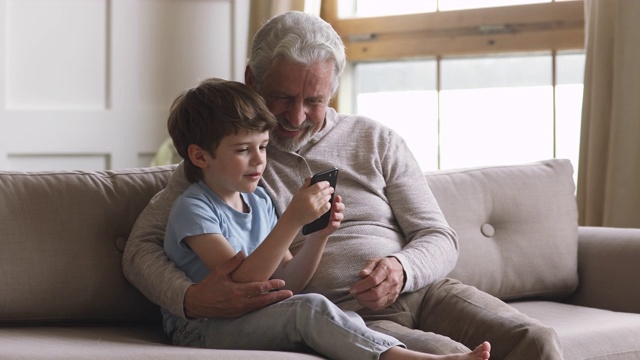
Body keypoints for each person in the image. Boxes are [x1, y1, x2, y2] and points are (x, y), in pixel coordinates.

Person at [123, 11, 563, 360]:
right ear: (252, 81)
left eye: (313, 100)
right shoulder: (227, 157)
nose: (295, 117)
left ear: (332, 91)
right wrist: (191, 299)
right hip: (350, 314)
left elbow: (439, 237)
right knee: (450, 356)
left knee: (535, 341)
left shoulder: (375, 139)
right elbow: (140, 246)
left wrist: (401, 269)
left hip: (427, 293)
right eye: (282, 97)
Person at [160, 77, 490, 360]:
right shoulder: (194, 209)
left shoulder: (259, 200)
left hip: (255, 316)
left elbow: (288, 282)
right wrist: (291, 221)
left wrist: (319, 236)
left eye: (263, 147)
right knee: (311, 310)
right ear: (200, 156)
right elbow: (243, 285)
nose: (259, 161)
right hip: (202, 329)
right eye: (243, 150)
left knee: (343, 317)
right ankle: (397, 357)